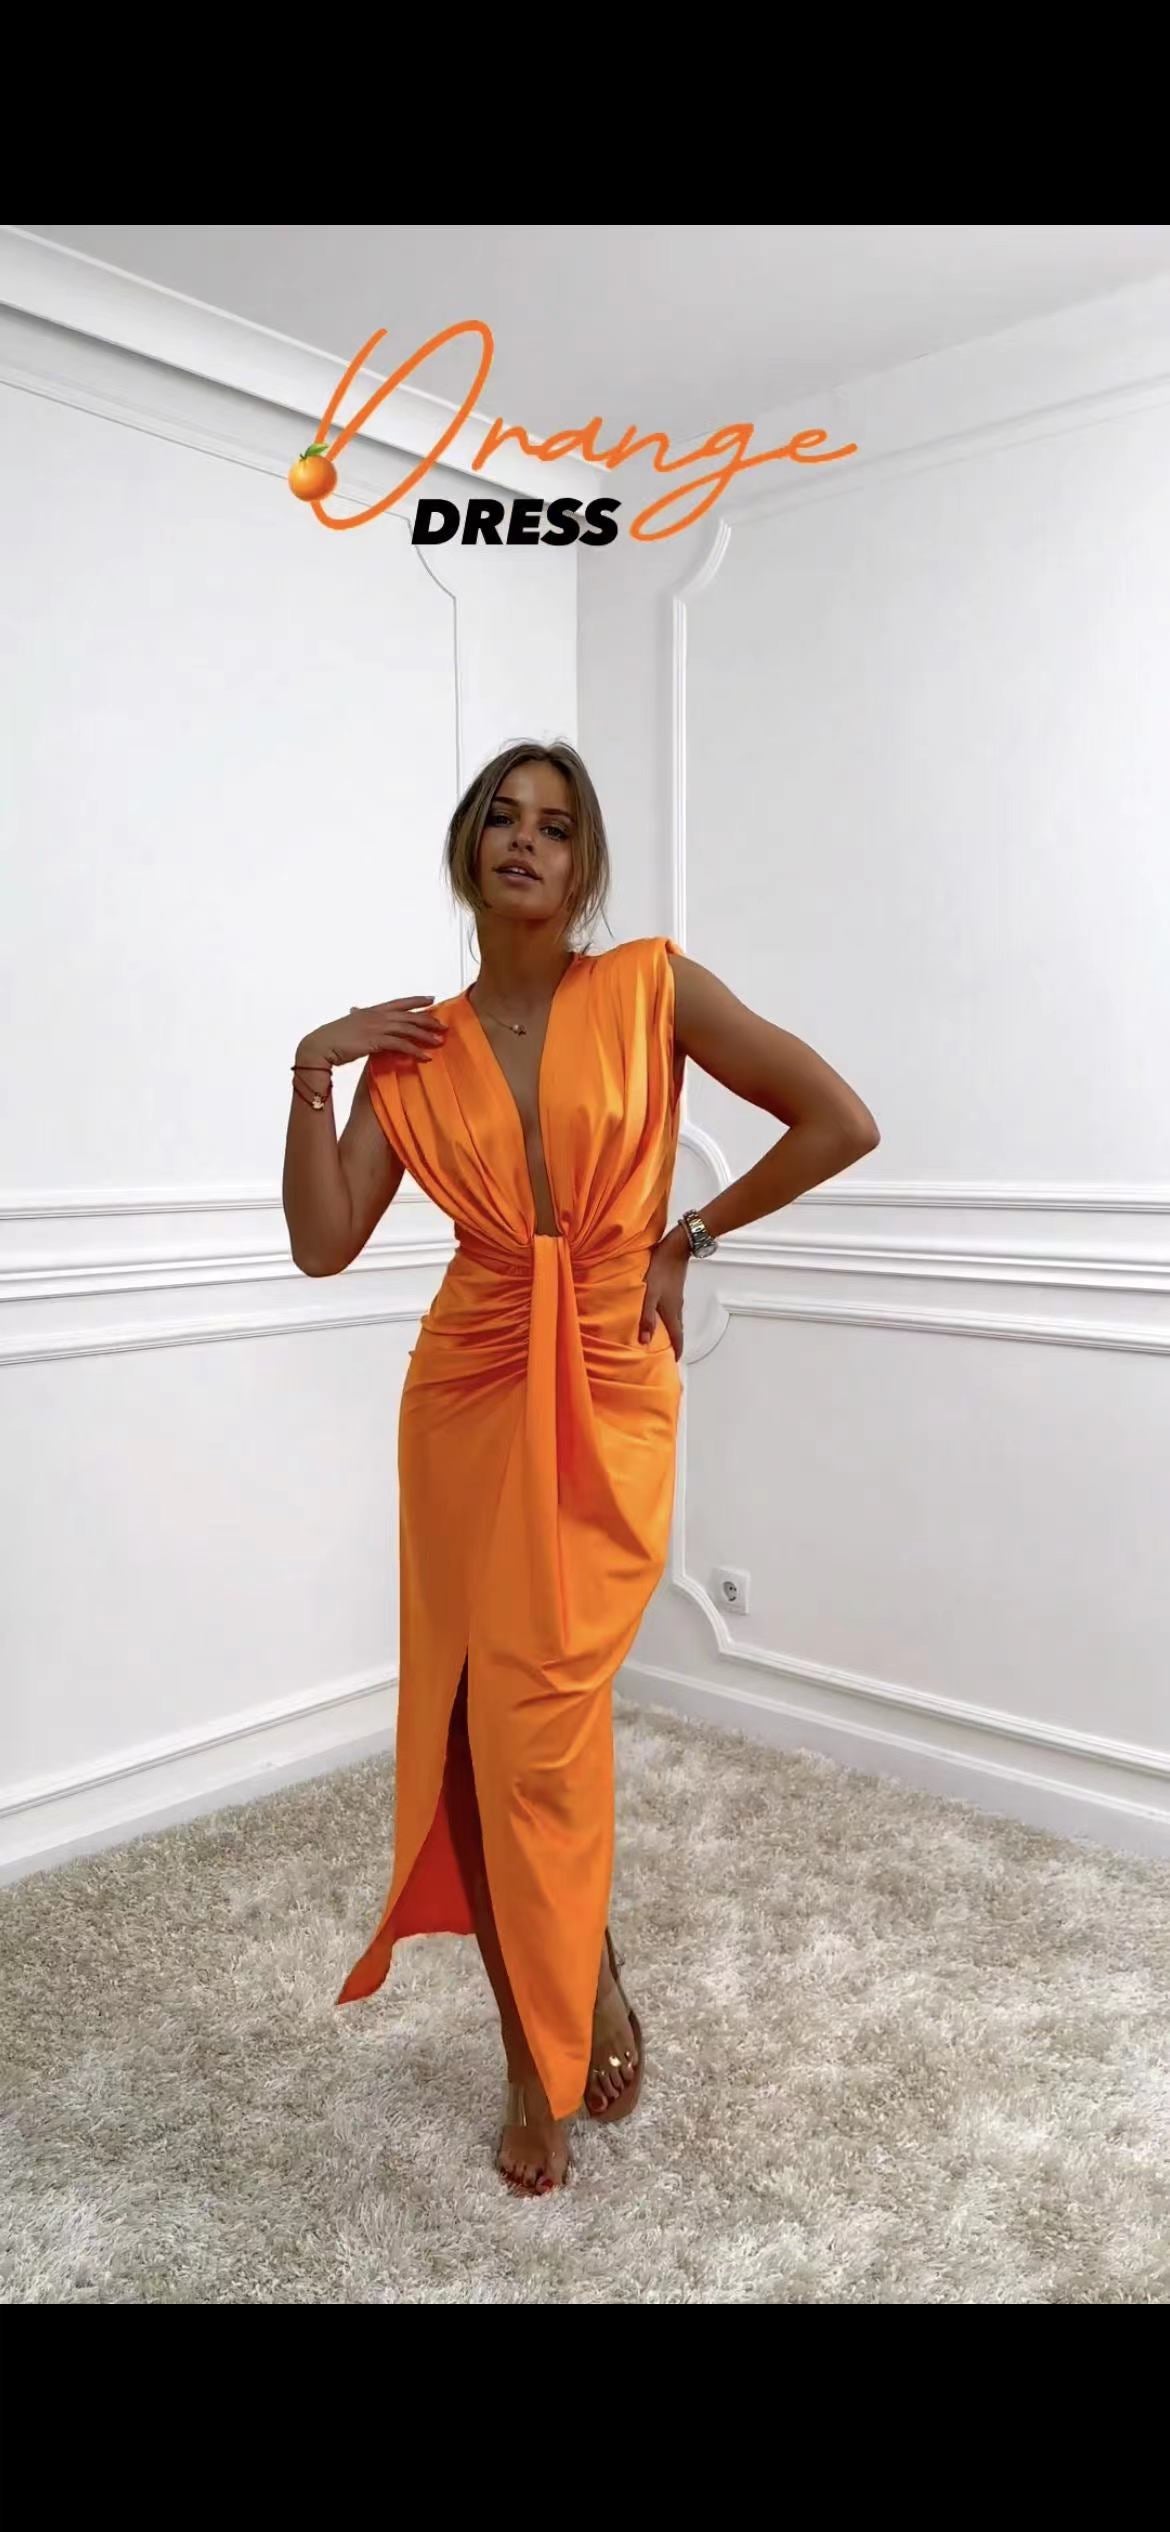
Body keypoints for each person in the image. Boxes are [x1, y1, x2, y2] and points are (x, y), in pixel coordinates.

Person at [282, 739, 878, 2196]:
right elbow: (322, 1242)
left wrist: (689, 1235)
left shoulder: (652, 989)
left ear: (585, 863)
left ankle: (582, 1966)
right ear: (466, 849)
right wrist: (314, 1068)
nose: (524, 842)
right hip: (468, 1392)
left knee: (543, 1728)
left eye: (554, 827)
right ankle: (530, 2057)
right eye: (501, 819)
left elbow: (839, 1121)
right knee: (480, 1734)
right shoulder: (416, 1050)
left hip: (607, 1379)